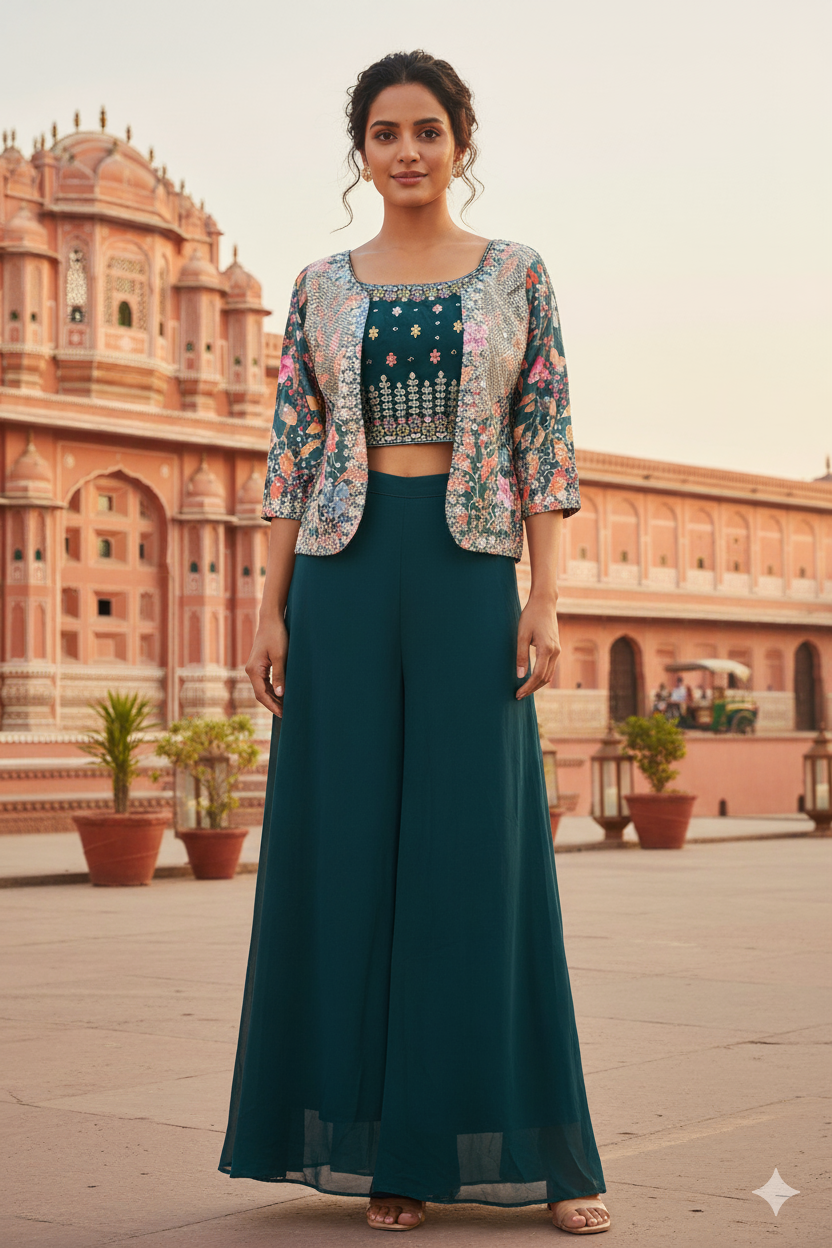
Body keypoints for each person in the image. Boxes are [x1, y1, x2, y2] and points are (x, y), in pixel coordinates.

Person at [219, 49, 610, 1236]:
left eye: (426, 130)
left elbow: (544, 438)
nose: (406, 151)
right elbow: (291, 450)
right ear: (361, 150)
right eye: (385, 133)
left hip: (467, 566)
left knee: (481, 854)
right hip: (341, 571)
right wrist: (270, 606)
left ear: (460, 143)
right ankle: (387, 1152)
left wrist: (544, 596)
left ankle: (550, 1153)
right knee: (343, 849)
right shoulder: (320, 287)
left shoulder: (516, 273)